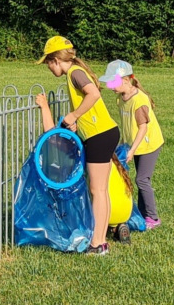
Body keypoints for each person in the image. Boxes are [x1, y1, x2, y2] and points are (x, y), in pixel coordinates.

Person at [36, 36, 120, 255]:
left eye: (48, 63)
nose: (48, 68)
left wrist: (74, 115)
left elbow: (93, 93)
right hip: (103, 133)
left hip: (100, 134)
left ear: (55, 60)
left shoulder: (74, 73)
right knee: (101, 190)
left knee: (97, 190)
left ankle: (98, 244)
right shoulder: (75, 72)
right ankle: (101, 241)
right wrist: (77, 123)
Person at [100, 59, 165, 229]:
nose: (111, 87)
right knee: (138, 179)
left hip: (149, 145)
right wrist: (123, 144)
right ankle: (143, 215)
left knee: (142, 179)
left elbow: (143, 128)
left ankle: (153, 218)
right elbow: (126, 124)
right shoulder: (120, 99)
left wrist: (132, 150)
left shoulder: (139, 100)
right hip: (133, 145)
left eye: (114, 82)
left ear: (127, 80)